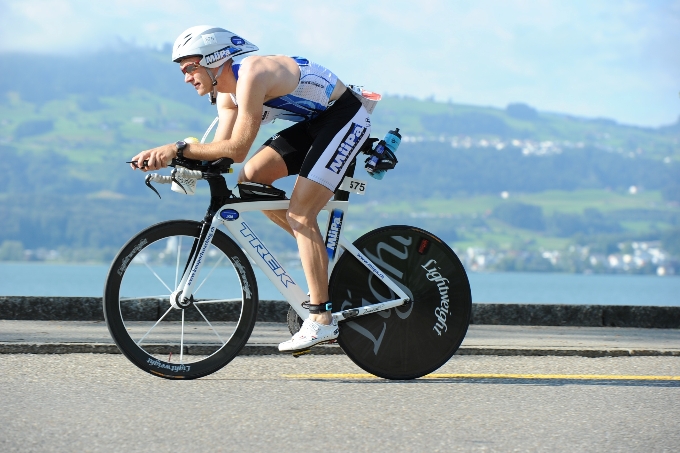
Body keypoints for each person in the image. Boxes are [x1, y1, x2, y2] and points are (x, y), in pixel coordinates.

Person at [129, 25, 372, 352]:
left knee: (301, 213)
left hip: (346, 117)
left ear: (214, 60)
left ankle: (321, 319)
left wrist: (176, 149)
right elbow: (222, 156)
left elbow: (239, 147)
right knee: (251, 179)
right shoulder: (226, 96)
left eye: (190, 67)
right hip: (319, 124)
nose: (186, 77)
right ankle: (328, 260)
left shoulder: (252, 75)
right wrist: (175, 166)